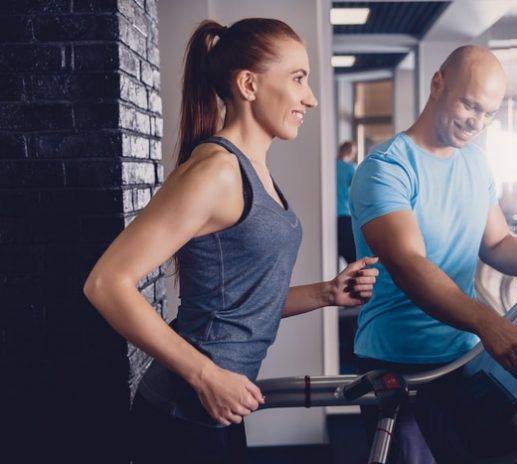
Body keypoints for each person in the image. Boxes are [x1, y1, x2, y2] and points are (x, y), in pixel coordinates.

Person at [83, 18, 379, 464]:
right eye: (298, 79)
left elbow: (236, 302)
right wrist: (205, 376)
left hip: (216, 407)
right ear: (248, 84)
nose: (311, 98)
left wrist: (326, 293)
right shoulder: (217, 171)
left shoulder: (252, 170)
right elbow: (106, 284)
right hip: (182, 414)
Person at [349, 45, 517, 463]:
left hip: (462, 355)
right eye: (469, 104)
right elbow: (409, 265)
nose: (476, 121)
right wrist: (488, 323)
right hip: (398, 360)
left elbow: (497, 244)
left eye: (488, 113)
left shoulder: (476, 163)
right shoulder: (387, 168)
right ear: (437, 84)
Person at [336, 140, 358, 264]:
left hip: (329, 217)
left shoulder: (330, 167)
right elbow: (358, 190)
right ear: (350, 152)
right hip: (344, 215)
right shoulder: (350, 168)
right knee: (353, 259)